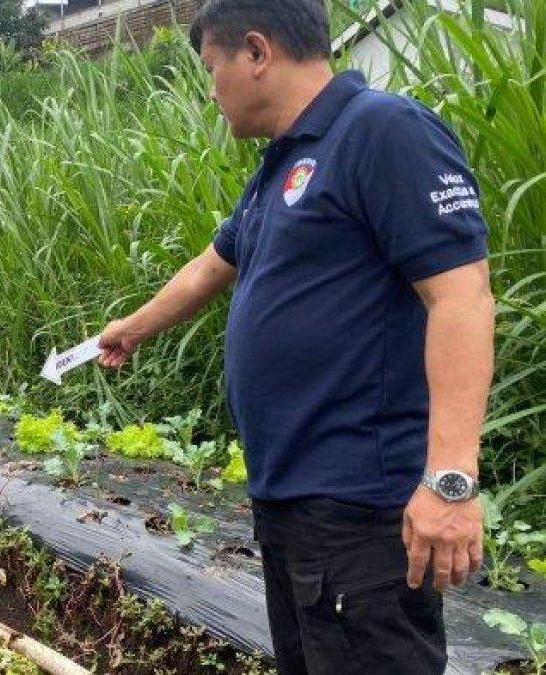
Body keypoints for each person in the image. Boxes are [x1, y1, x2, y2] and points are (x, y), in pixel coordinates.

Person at [97, 1, 491, 673]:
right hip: (291, 506)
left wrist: (450, 481)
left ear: (256, 53)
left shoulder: (383, 131)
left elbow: (462, 296)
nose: (211, 92)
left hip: (360, 510)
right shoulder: (280, 168)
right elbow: (210, 267)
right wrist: (130, 330)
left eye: (212, 68)